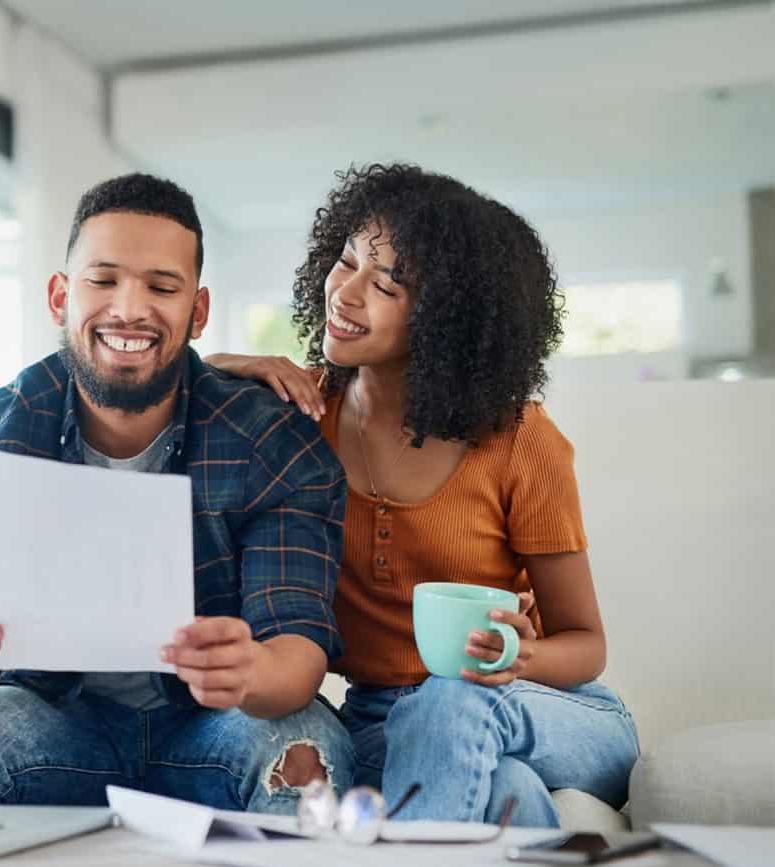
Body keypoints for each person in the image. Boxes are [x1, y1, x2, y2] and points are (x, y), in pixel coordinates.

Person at [209, 163, 639, 827]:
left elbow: (586, 644)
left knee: (451, 698)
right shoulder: (299, 420)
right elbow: (158, 398)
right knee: (508, 793)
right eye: (346, 261)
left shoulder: (519, 440)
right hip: (384, 721)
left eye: (386, 283)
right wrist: (223, 368)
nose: (346, 293)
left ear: (449, 319)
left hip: (548, 707)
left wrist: (520, 655)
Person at [0, 173, 355, 812]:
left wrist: (249, 671)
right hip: (54, 721)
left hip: (215, 727)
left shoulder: (271, 440)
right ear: (59, 297)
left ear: (198, 312)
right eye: (103, 280)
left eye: (161, 286)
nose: (129, 308)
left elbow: (295, 654)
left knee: (306, 753)